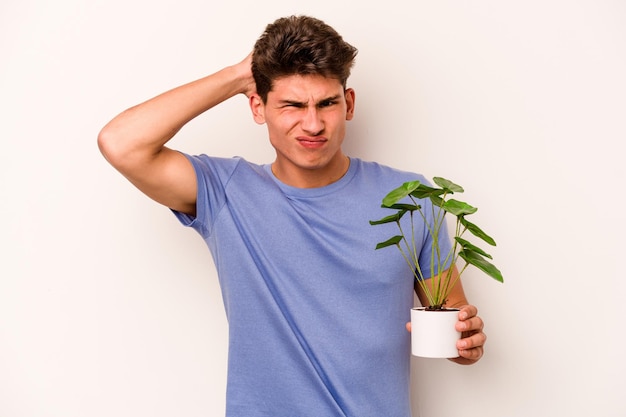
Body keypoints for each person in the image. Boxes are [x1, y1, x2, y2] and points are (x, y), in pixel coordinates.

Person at [98, 15, 487, 417]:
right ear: (258, 106)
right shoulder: (227, 191)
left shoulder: (412, 199)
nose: (313, 124)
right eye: (293, 105)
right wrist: (236, 76)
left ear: (348, 103)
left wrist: (467, 344)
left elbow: (454, 325)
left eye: (327, 103)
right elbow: (121, 143)